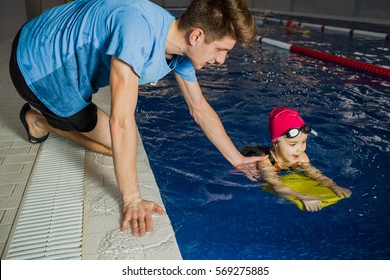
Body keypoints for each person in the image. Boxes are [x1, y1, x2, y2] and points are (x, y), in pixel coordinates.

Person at [9, 0, 266, 237]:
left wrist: (238, 159)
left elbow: (199, 108)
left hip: (55, 52)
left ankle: (47, 118)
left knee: (125, 148)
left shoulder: (176, 40)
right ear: (197, 35)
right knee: (117, 146)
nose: (222, 60)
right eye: (221, 49)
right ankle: (40, 121)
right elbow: (121, 120)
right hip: (37, 66)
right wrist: (132, 199)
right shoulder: (135, 30)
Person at [241, 107, 352, 212]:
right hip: (255, 155)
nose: (300, 148)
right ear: (275, 143)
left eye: (304, 142)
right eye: (293, 144)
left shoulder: (301, 157)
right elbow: (277, 186)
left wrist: (334, 186)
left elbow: (317, 175)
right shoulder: (266, 163)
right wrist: (301, 195)